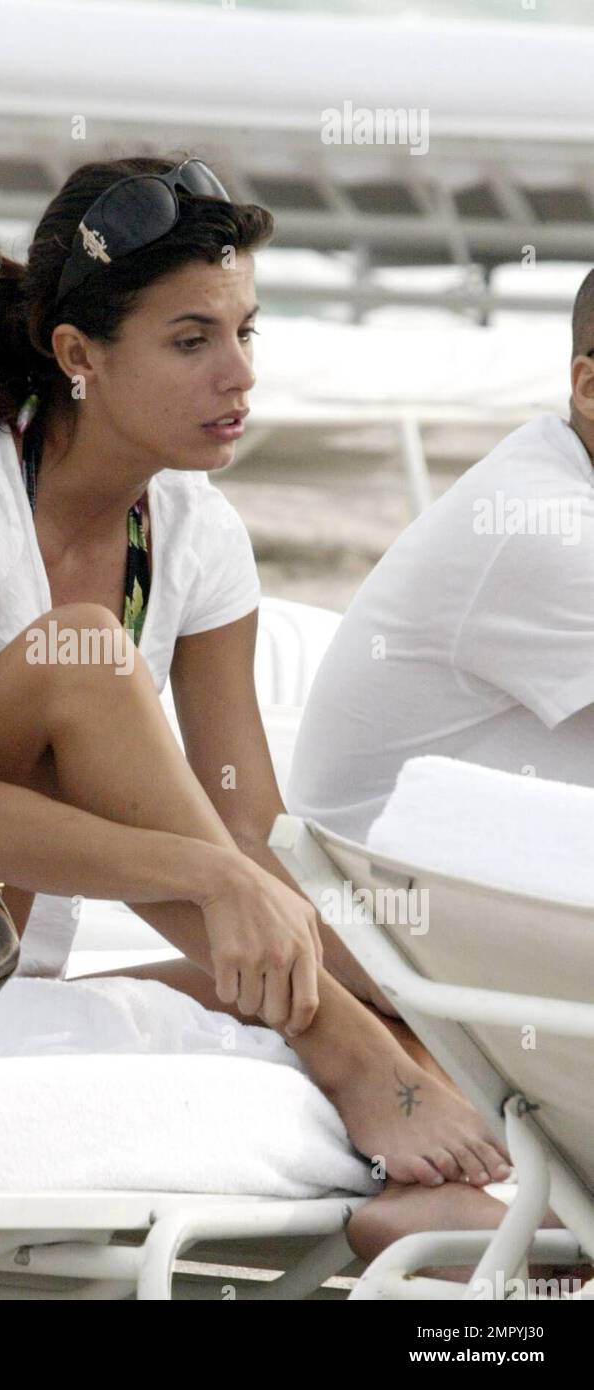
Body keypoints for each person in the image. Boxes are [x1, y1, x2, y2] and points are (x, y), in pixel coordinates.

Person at [0, 155, 515, 1269]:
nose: (238, 375)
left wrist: (386, 963)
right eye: (190, 339)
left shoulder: (196, 534)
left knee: (376, 969)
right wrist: (213, 884)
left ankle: (436, 1191)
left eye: (248, 332)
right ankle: (349, 1057)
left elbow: (245, 823)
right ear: (76, 356)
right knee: (82, 657)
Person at [283, 268, 594, 1277]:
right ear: (587, 387)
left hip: (449, 933)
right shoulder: (542, 532)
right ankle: (455, 1221)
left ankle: (464, 1220)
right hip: (393, 944)